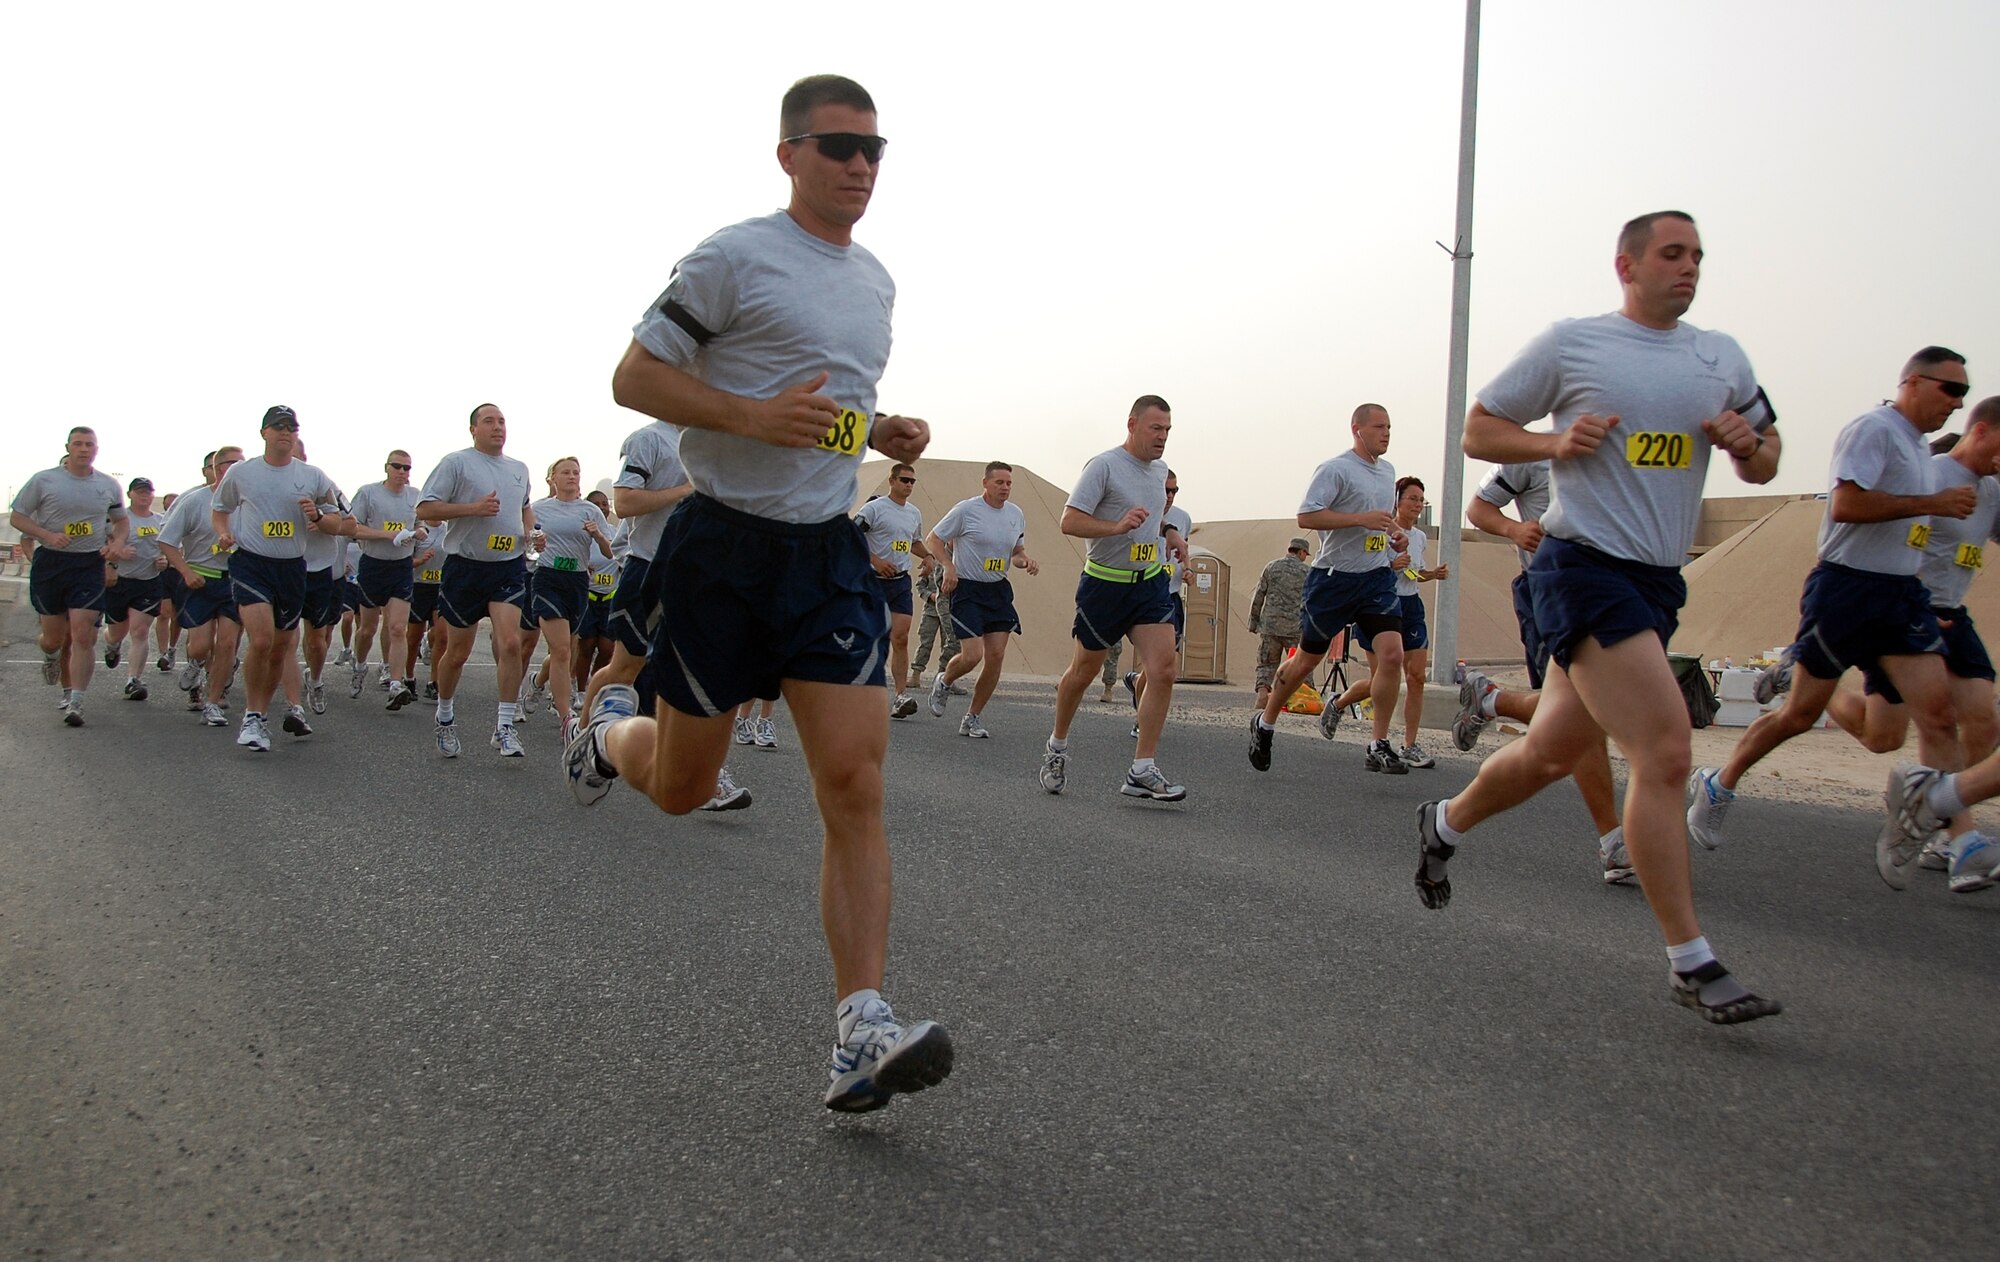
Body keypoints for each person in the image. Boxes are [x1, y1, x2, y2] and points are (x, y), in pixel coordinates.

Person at [563, 74, 951, 1110]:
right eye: (836, 146)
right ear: (788, 154)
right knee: (683, 784)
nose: (859, 165)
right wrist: (743, 412)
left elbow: (821, 412)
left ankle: (858, 1024)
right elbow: (635, 377)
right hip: (719, 554)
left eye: (874, 149)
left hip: (824, 556)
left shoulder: (874, 280)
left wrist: (880, 431)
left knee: (855, 785)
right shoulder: (733, 254)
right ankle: (603, 727)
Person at [1413, 209, 1783, 1024]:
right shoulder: (1574, 344)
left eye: (1698, 256)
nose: (1689, 268)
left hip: (1657, 580)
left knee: (1550, 752)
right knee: (1665, 747)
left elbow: (1768, 458)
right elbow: (1479, 429)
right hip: (1580, 569)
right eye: (1672, 254)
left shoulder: (1720, 358)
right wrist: (1554, 446)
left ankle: (1443, 822)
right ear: (1627, 265)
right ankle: (1692, 959)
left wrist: (1744, 447)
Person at [1688, 349, 1978, 876]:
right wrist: (1932, 505)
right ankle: (1719, 780)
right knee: (1799, 715)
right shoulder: (1874, 429)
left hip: (1902, 597)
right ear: (1912, 382)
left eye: (1964, 394)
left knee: (1917, 724)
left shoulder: (1917, 447)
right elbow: (1845, 505)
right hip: (1846, 589)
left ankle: (1945, 829)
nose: (1957, 404)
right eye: (1949, 390)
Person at [1459, 459, 1628, 880]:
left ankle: (1491, 699)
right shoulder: (1529, 456)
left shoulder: (1626, 450)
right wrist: (1515, 530)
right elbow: (1478, 509)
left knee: (1595, 713)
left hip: (1614, 595)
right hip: (1549, 593)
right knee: (1583, 714)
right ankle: (1614, 841)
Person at [1247, 404, 1410, 775]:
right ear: (1357, 430)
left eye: (1390, 427)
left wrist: (1393, 538)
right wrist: (1359, 520)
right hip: (1334, 579)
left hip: (1375, 578)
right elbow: (1307, 516)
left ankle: (1378, 743)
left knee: (1392, 656)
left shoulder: (1387, 472)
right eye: (1379, 426)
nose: (1386, 433)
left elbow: (1379, 525)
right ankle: (1266, 720)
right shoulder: (1335, 469)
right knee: (1307, 659)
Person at [1039, 397, 1188, 799]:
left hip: (1150, 583)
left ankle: (1142, 768)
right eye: (1156, 428)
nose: (1163, 437)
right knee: (1082, 674)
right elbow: (1069, 521)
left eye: (1168, 430)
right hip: (1105, 584)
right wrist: (1115, 526)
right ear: (1133, 424)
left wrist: (1170, 532)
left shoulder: (1159, 472)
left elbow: (1155, 517)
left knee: (1163, 669)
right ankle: (1057, 745)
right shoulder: (1103, 465)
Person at [210, 407, 345, 751]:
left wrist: (316, 515)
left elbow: (338, 524)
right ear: (264, 433)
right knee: (261, 640)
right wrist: (224, 533)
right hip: (252, 563)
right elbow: (220, 509)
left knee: (280, 648)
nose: (286, 433)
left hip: (292, 568)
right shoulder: (243, 472)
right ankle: (252, 718)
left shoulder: (314, 476)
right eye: (279, 427)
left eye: (292, 428)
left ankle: (261, 713)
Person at [416, 403, 536, 758]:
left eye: (501, 421)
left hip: (507, 567)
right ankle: (445, 716)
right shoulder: (457, 463)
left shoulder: (519, 469)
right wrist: (471, 508)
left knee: (511, 643)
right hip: (465, 567)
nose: (498, 427)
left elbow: (525, 507)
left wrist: (532, 534)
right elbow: (426, 509)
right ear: (473, 429)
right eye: (489, 421)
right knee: (457, 653)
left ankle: (504, 726)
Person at [1328, 475, 1450, 767]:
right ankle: (1340, 704)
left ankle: (1409, 745)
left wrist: (1431, 575)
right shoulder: (1380, 533)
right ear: (1397, 501)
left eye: (1422, 500)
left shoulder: (1418, 538)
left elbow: (1412, 573)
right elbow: (1370, 566)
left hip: (1411, 607)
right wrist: (1391, 564)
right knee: (1382, 680)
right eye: (1412, 499)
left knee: (1417, 677)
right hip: (1380, 605)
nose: (1418, 505)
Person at [10, 426, 128, 725]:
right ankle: (49, 655)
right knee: (54, 638)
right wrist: (47, 535)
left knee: (82, 634)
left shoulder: (107, 485)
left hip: (88, 564)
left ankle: (75, 700)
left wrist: (116, 543)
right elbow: (18, 517)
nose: (84, 449)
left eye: (89, 444)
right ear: (68, 447)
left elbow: (121, 521)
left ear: (96, 449)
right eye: (78, 444)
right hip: (52, 562)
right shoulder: (45, 480)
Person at [925, 461, 1041, 736]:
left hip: (997, 590)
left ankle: (972, 717)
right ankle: (944, 680)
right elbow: (933, 539)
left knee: (996, 655)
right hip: (967, 589)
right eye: (999, 482)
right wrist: (948, 566)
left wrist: (1025, 561)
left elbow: (1017, 551)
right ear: (985, 483)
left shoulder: (1015, 514)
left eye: (1009, 483)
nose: (1005, 488)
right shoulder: (967, 510)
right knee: (972, 655)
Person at [520, 457, 613, 744]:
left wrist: (597, 535)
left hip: (577, 582)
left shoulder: (590, 511)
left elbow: (611, 553)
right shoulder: (538, 509)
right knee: (561, 650)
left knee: (566, 650)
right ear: (552, 478)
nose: (572, 476)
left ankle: (537, 683)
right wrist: (534, 543)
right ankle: (566, 718)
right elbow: (524, 546)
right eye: (566, 472)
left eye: (576, 472)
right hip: (548, 578)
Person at [159, 448, 244, 725]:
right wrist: (184, 572)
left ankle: (213, 702)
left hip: (234, 581)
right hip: (199, 578)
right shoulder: (194, 500)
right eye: (234, 463)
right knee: (200, 646)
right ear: (218, 468)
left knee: (228, 643)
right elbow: (167, 541)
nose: (240, 468)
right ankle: (195, 664)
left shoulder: (249, 502)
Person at [347, 449, 427, 710]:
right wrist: (386, 535)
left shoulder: (415, 496)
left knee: (396, 628)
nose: (403, 473)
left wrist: (419, 533)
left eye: (407, 468)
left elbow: (422, 524)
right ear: (387, 467)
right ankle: (359, 666)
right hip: (373, 565)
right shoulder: (368, 493)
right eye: (398, 467)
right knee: (368, 628)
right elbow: (352, 528)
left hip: (401, 567)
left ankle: (396, 682)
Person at [854, 463, 931, 717]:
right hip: (873, 581)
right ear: (892, 480)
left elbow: (914, 542)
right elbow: (852, 537)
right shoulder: (874, 508)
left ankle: (900, 696)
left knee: (900, 637)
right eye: (904, 480)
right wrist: (874, 559)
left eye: (912, 481)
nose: (909, 485)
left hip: (900, 582)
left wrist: (929, 557)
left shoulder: (913, 513)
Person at [1120, 467, 1191, 730]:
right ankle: (1142, 718)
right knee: (1155, 666)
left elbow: (1184, 548)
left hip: (1170, 594)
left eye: (1175, 490)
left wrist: (1189, 568)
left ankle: (1138, 689)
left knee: (1163, 666)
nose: (1170, 495)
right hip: (1139, 593)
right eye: (1165, 490)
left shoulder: (1182, 518)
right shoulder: (1139, 512)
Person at [100, 477, 169, 704]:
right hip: (119, 581)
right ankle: (112, 645)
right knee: (117, 631)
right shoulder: (118, 520)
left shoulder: (161, 521)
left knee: (140, 631)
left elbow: (172, 548)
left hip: (148, 582)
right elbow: (100, 546)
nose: (144, 495)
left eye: (148, 492)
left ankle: (133, 680)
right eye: (139, 491)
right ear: (130, 494)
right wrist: (116, 553)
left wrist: (164, 561)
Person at [1247, 538, 1310, 712]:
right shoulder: (1307, 571)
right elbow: (1312, 600)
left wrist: (1253, 621)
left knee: (1266, 664)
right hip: (1295, 629)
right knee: (1300, 666)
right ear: (1301, 552)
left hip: (1270, 627)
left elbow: (1259, 594)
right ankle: (1303, 701)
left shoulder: (1271, 567)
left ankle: (1262, 696)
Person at [906, 558, 962, 694]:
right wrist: (930, 596)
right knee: (925, 642)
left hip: (950, 610)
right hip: (931, 611)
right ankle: (915, 675)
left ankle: (946, 678)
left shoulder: (958, 560)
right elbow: (920, 586)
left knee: (950, 644)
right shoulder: (932, 561)